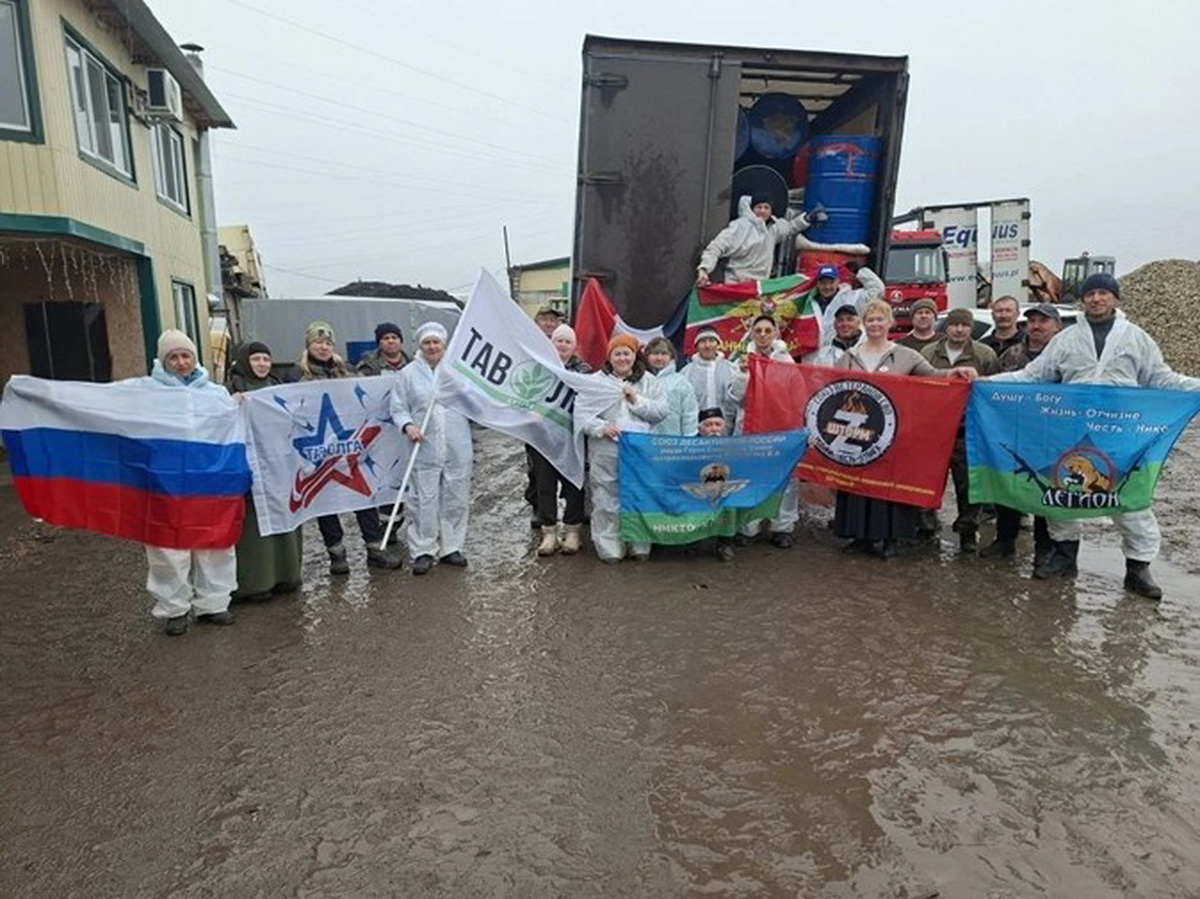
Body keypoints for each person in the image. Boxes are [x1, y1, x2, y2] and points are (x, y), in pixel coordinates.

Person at [989, 273, 1200, 599]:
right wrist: (985, 383)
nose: (1097, 299)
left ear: (1115, 298)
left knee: (1128, 496)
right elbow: (1034, 375)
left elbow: (1161, 378)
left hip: (1120, 433)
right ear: (1082, 299)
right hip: (1071, 430)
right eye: (1091, 293)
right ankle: (1064, 555)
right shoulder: (1066, 339)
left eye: (1103, 292)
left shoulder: (1136, 338)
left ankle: (1138, 566)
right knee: (1062, 491)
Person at [833, 301, 977, 558]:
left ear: (889, 323)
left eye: (880, 319)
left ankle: (890, 537)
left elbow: (933, 374)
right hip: (858, 433)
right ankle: (860, 536)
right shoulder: (848, 357)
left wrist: (954, 372)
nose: (875, 324)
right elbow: (832, 388)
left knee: (889, 485)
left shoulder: (906, 355)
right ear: (864, 323)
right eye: (870, 319)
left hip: (893, 433)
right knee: (857, 484)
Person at [288, 321, 403, 574]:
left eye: (328, 343)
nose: (323, 347)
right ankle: (336, 554)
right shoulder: (296, 375)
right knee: (325, 503)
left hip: (350, 448)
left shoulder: (347, 370)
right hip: (318, 452)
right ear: (308, 345)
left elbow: (366, 398)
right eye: (318, 342)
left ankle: (375, 548)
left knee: (363, 495)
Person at [142, 330, 237, 636]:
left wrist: (240, 405)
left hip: (208, 481)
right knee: (168, 548)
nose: (181, 362)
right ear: (163, 360)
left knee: (214, 542)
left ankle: (214, 603)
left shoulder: (215, 393)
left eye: (186, 355)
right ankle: (175, 608)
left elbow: (231, 427)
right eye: (173, 357)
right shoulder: (146, 394)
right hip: (164, 482)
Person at [980, 304, 1062, 562]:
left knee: (1044, 489)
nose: (1036, 326)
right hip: (1013, 432)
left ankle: (1044, 547)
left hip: (1051, 435)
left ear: (1057, 326)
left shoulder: (1066, 355)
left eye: (1043, 321)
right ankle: (1005, 541)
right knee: (1009, 486)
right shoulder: (1012, 353)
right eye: (1032, 321)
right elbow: (993, 390)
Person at [391, 321, 475, 575]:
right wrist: (408, 425)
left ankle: (451, 547)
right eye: (427, 342)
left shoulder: (457, 371)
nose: (432, 347)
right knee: (422, 500)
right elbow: (398, 407)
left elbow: (474, 401)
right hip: (423, 445)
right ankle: (423, 550)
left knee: (456, 497)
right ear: (420, 345)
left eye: (436, 342)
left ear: (443, 344)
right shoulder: (407, 374)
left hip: (456, 444)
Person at [226, 341, 304, 602]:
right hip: (249, 466)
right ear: (244, 362)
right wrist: (231, 405)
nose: (262, 364)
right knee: (255, 526)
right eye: (256, 359)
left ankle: (287, 574)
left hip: (280, 465)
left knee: (284, 516)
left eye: (266, 359)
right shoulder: (231, 389)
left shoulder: (277, 388)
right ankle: (256, 582)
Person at [581, 335, 668, 562]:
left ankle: (639, 543)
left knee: (639, 494)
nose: (622, 358)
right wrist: (602, 428)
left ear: (634, 355)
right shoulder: (595, 382)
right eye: (617, 353)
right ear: (609, 357)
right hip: (606, 450)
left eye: (626, 353)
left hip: (640, 451)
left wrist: (636, 400)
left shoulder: (649, 382)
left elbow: (660, 412)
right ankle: (610, 545)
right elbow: (582, 414)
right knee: (606, 497)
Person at [921, 307, 999, 552]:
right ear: (946, 327)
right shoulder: (928, 352)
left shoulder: (984, 354)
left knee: (968, 487)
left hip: (968, 430)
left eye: (964, 325)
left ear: (970, 328)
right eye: (955, 324)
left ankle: (967, 532)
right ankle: (926, 528)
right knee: (929, 481)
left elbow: (995, 391)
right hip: (935, 429)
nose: (959, 329)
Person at [728, 315, 799, 547]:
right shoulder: (741, 360)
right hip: (750, 428)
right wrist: (742, 374)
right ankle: (749, 525)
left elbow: (796, 396)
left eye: (768, 330)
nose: (763, 335)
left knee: (785, 480)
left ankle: (782, 527)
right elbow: (735, 398)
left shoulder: (787, 362)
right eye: (758, 330)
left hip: (780, 428)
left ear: (776, 333)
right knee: (748, 477)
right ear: (751, 333)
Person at [532, 324, 591, 556]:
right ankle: (549, 532)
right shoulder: (539, 368)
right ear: (552, 343)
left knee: (574, 485)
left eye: (567, 341)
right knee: (544, 485)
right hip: (543, 438)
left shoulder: (584, 372)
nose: (563, 345)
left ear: (574, 346)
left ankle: (573, 531)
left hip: (572, 438)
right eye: (559, 341)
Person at [696, 194, 817, 287]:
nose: (763, 211)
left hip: (760, 287)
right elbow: (716, 247)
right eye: (759, 207)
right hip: (736, 286)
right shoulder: (739, 226)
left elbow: (790, 228)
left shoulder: (773, 228)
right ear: (752, 209)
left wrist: (806, 219)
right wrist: (704, 269)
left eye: (766, 207)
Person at [804, 262, 885, 344]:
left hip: (848, 349)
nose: (827, 287)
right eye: (823, 283)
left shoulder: (852, 298)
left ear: (838, 281)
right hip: (820, 351)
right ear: (817, 284)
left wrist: (859, 271)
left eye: (831, 282)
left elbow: (877, 289)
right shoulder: (807, 303)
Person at [682, 326, 737, 433]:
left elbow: (735, 404)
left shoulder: (732, 370)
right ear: (696, 346)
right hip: (697, 434)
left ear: (718, 344)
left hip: (727, 434)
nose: (707, 345)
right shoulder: (685, 373)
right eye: (702, 341)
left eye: (711, 340)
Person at [698, 406, 736, 562]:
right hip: (699, 488)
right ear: (700, 429)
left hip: (722, 490)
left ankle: (724, 544)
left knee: (729, 505)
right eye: (708, 425)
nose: (714, 428)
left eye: (717, 424)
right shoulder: (688, 446)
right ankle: (692, 541)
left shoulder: (733, 446)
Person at [645, 336, 699, 437]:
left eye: (664, 354)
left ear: (671, 357)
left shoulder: (681, 382)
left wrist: (688, 439)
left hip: (673, 441)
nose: (659, 358)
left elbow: (689, 414)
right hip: (643, 441)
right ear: (647, 356)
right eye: (655, 353)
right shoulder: (640, 380)